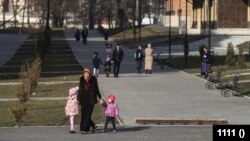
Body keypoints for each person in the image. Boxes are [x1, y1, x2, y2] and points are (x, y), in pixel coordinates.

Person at [77, 67, 103, 134]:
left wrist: (100, 98)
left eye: (87, 73)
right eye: (85, 73)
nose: (86, 75)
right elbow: (80, 90)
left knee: (88, 114)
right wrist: (78, 99)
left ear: (90, 73)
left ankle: (85, 129)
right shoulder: (81, 79)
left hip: (91, 99)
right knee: (83, 114)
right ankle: (93, 125)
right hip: (83, 99)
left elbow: (97, 89)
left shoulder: (93, 79)